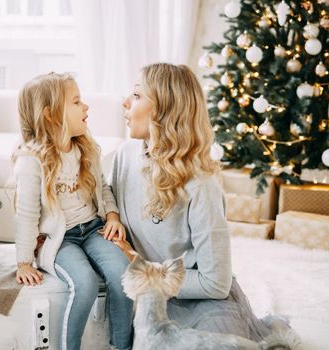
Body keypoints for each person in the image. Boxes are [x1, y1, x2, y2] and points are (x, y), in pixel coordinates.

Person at [110, 63, 296, 342]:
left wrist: (149, 278)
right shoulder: (124, 156)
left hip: (200, 301)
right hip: (154, 302)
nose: (125, 102)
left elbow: (216, 283)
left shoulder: (201, 184)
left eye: (137, 96)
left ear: (163, 110)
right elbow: (103, 201)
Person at [13, 72, 133, 350]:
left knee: (123, 274)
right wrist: (23, 262)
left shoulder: (85, 148)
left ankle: (121, 346)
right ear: (51, 115)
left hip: (93, 228)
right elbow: (27, 215)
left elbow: (103, 188)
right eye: (77, 102)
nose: (86, 107)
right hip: (60, 240)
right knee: (85, 284)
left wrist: (113, 216)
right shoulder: (32, 160)